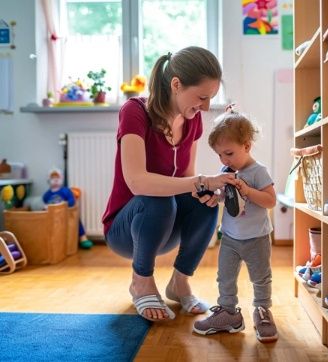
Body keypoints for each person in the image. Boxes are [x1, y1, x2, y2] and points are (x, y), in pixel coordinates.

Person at [102, 46, 236, 322]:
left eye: (210, 98)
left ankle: (179, 283)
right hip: (127, 228)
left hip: (164, 224)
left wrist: (206, 188)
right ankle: (141, 283)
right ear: (176, 85)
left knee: (204, 199)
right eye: (202, 97)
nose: (207, 107)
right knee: (157, 196)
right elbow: (137, 182)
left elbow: (187, 179)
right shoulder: (134, 111)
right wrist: (200, 181)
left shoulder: (192, 119)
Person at [193, 106, 279, 343]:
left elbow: (270, 201)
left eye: (229, 153)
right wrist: (213, 197)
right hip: (230, 238)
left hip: (256, 238)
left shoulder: (258, 172)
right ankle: (229, 313)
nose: (224, 160)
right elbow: (224, 197)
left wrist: (248, 190)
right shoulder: (226, 170)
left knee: (260, 277)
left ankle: (262, 311)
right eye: (219, 155)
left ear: (247, 146)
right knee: (225, 277)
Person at [43, 168, 93, 249]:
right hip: (53, 217)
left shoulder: (65, 191)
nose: (55, 180)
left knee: (76, 220)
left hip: (65, 214)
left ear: (61, 178)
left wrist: (64, 204)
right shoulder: (47, 194)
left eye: (57, 178)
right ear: (49, 179)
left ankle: (83, 238)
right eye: (53, 178)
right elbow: (45, 203)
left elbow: (71, 201)